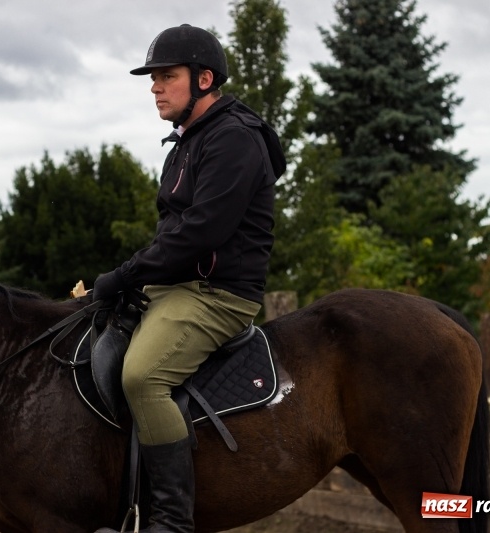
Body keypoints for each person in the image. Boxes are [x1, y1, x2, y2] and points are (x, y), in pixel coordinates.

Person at [93, 23, 285, 533]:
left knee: (142, 377)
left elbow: (202, 231)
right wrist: (131, 280)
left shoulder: (235, 140)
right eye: (152, 77)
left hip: (217, 295)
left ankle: (173, 520)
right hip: (176, 286)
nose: (155, 86)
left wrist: (127, 272)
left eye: (166, 75)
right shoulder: (185, 143)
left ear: (203, 79)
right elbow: (169, 234)